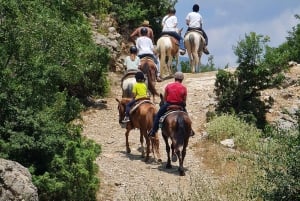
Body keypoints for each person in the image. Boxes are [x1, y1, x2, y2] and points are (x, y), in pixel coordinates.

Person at [148, 72, 189, 137]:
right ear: (182, 79)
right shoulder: (184, 88)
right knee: (187, 116)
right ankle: (190, 130)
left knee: (158, 116)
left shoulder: (168, 86)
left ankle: (154, 131)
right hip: (180, 105)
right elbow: (184, 100)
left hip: (169, 104)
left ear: (175, 78)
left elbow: (164, 98)